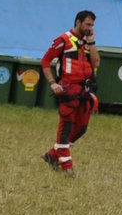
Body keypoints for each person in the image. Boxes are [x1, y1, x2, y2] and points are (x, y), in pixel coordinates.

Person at [41, 11, 100, 173]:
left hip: (84, 91)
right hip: (68, 91)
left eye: (92, 25)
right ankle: (67, 168)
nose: (90, 28)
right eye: (88, 24)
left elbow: (96, 63)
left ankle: (52, 155)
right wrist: (53, 83)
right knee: (66, 128)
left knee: (81, 128)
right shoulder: (63, 41)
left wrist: (92, 42)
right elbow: (45, 61)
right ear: (78, 22)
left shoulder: (88, 42)